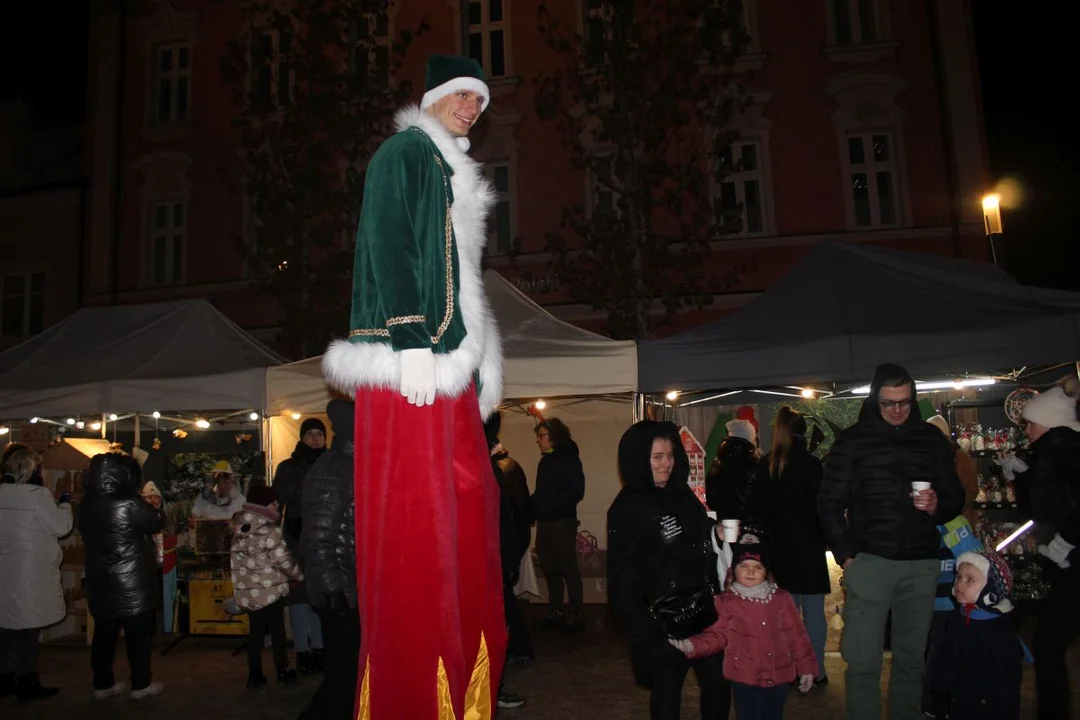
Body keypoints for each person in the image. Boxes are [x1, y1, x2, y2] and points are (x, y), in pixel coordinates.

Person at [320, 53, 506, 718]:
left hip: (450, 370)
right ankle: (414, 696)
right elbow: (388, 243)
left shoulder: (448, 171)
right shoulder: (404, 154)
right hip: (411, 368)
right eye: (461, 94)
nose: (471, 107)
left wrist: (480, 365)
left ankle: (465, 685)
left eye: (479, 100)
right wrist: (411, 340)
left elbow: (467, 285)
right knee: (418, 532)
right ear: (432, 96)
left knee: (469, 519)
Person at [818, 362, 965, 720]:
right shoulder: (853, 441)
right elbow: (828, 503)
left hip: (920, 563)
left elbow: (955, 498)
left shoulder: (931, 440)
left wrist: (937, 505)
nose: (897, 410)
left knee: (911, 660)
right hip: (871, 562)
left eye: (905, 402)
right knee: (863, 659)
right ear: (875, 400)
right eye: (888, 403)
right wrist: (847, 556)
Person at [607, 420, 729, 720]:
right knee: (667, 692)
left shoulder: (681, 493)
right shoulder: (627, 508)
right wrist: (644, 629)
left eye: (671, 455)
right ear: (639, 460)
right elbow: (622, 578)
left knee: (718, 684)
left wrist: (716, 534)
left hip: (701, 611)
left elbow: (701, 532)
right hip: (661, 621)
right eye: (657, 457)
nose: (667, 464)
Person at [668, 535, 817, 720]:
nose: (751, 572)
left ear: (766, 571)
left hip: (779, 676)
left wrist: (807, 667)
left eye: (758, 567)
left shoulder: (781, 598)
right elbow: (717, 635)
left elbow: (798, 635)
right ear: (733, 569)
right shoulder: (725, 602)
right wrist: (693, 645)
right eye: (744, 566)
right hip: (745, 678)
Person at [1007, 379, 1080, 720]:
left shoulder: (1067, 452)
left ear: (1048, 423)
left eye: (1031, 423)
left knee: (1049, 643)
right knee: (1050, 642)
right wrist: (1021, 476)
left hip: (1074, 561)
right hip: (1066, 564)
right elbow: (1035, 509)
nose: (1027, 429)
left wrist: (1067, 540)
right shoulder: (1051, 453)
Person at [79, 453, 167, 701]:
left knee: (103, 636)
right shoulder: (130, 503)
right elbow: (157, 521)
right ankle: (140, 684)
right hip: (133, 583)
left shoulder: (85, 504)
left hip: (100, 581)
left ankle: (102, 684)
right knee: (138, 637)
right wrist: (153, 505)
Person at [755, 407, 830, 687]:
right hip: (809, 548)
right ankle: (816, 670)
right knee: (813, 615)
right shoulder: (812, 465)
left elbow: (758, 511)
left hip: (779, 550)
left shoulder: (767, 465)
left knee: (784, 616)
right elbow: (823, 509)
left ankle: (787, 670)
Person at [299, 399, 360, 720]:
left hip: (350, 588)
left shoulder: (353, 464)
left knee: (347, 673)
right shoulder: (333, 467)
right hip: (340, 590)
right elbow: (318, 535)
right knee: (344, 675)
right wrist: (333, 588)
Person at [0, 448, 73, 701]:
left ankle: (5, 679)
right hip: (31, 569)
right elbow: (61, 527)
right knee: (29, 628)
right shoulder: (38, 495)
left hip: (5, 568)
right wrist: (64, 504)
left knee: (7, 625)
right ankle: (27, 681)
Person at [927, 549, 1023, 720]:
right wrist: (940, 693)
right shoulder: (957, 618)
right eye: (959, 577)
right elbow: (946, 659)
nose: (959, 584)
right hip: (958, 705)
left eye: (970, 580)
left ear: (990, 588)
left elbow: (1008, 684)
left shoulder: (1000, 631)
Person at [230, 484, 302, 689]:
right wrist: (299, 575)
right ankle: (282, 669)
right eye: (273, 501)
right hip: (271, 590)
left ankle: (254, 674)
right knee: (277, 630)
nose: (277, 505)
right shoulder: (270, 529)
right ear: (264, 504)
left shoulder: (239, 527)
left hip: (249, 592)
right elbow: (283, 560)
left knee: (256, 633)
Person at [274, 417, 327, 675]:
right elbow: (276, 505)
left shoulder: (331, 463)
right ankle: (302, 651)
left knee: (319, 596)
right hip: (296, 541)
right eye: (311, 434)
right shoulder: (287, 467)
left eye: (320, 433)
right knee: (298, 597)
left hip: (325, 541)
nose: (315, 438)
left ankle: (319, 648)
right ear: (302, 437)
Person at [484, 416, 528, 710]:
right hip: (490, 562)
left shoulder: (496, 470)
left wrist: (508, 560)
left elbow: (505, 519)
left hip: (493, 561)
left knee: (496, 623)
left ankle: (495, 684)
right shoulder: (488, 469)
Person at [531, 418, 586, 633]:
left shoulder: (569, 459)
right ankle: (556, 610)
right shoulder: (545, 462)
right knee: (549, 567)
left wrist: (552, 506)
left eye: (541, 436)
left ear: (553, 436)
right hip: (545, 522)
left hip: (562, 521)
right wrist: (533, 507)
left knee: (567, 567)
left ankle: (576, 613)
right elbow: (542, 492)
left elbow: (576, 490)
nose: (538, 440)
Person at [927, 414, 978, 524]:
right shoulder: (924, 456)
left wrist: (947, 506)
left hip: (957, 522)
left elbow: (971, 490)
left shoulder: (961, 457)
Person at [705, 419, 760, 521]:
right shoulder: (756, 465)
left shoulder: (717, 465)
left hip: (726, 526)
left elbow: (711, 500)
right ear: (751, 440)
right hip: (752, 528)